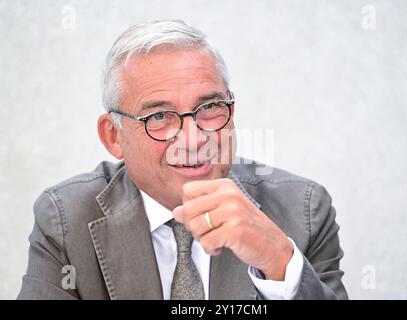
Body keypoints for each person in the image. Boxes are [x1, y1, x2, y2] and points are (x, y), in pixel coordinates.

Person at [18, 20, 348, 300]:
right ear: (113, 136)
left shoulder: (304, 209)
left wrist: (279, 262)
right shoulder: (64, 219)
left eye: (209, 108)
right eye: (159, 116)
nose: (193, 140)